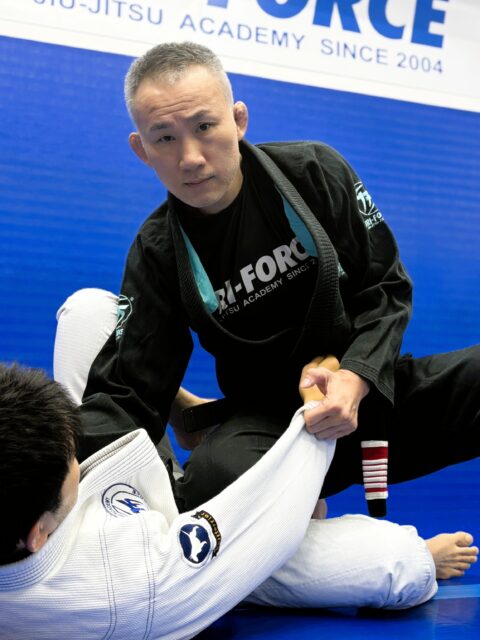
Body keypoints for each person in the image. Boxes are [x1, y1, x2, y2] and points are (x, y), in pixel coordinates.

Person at [71, 41, 479, 518]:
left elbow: (384, 289)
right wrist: (51, 462)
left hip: (369, 399)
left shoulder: (314, 172)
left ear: (238, 120)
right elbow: (129, 389)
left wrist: (356, 376)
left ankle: (307, 515)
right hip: (267, 431)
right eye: (164, 138)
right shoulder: (158, 250)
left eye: (204, 127)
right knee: (212, 485)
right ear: (141, 149)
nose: (191, 157)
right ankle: (308, 515)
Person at [0, 360, 478, 639]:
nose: (76, 456)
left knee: (91, 310)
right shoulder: (135, 587)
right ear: (39, 533)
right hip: (189, 545)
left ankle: (191, 419)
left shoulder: (23, 516)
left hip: (128, 485)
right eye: (71, 459)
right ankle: (419, 557)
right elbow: (252, 520)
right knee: (395, 563)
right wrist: (316, 411)